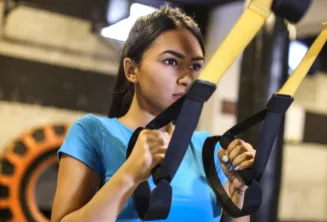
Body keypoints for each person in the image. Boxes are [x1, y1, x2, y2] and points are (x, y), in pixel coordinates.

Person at [51, 4, 256, 222]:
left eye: (195, 66)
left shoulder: (208, 149)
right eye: (171, 62)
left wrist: (239, 190)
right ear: (131, 70)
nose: (186, 78)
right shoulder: (93, 132)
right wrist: (128, 174)